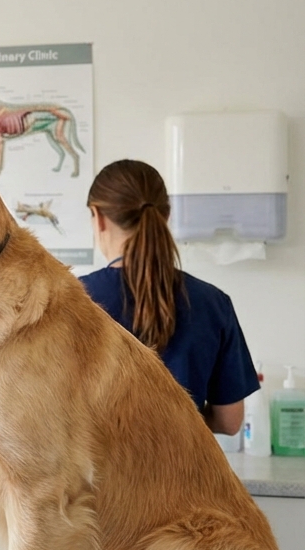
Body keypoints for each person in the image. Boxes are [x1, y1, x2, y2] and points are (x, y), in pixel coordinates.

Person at [79, 159, 258, 435]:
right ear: (166, 215)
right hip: (187, 475)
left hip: (102, 477)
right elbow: (229, 422)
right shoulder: (213, 303)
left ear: (98, 216)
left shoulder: (75, 302)